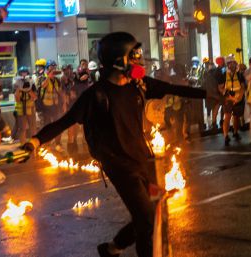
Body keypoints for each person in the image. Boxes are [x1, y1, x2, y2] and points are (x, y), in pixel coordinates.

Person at [24, 32, 207, 257]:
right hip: (120, 167)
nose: (139, 61)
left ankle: (112, 249)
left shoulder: (139, 85)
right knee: (146, 218)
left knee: (153, 212)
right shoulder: (96, 95)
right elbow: (64, 122)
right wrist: (34, 141)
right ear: (118, 61)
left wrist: (211, 95)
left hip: (144, 161)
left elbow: (175, 89)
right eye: (133, 56)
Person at [218, 56, 245, 146]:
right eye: (230, 63)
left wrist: (240, 97)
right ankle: (226, 136)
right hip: (228, 99)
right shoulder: (223, 74)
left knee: (236, 117)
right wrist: (227, 95)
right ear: (227, 65)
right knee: (227, 117)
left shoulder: (239, 74)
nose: (232, 65)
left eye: (233, 63)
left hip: (238, 99)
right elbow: (220, 87)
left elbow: (242, 86)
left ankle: (235, 132)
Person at [39, 60, 64, 151]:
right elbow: (42, 85)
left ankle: (58, 143)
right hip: (46, 107)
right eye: (51, 66)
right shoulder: (42, 78)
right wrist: (48, 77)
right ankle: (47, 144)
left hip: (56, 106)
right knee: (47, 126)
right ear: (47, 68)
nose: (53, 68)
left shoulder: (57, 80)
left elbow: (60, 92)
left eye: (54, 66)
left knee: (58, 125)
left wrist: (64, 103)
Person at [13, 66, 37, 145]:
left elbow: (35, 97)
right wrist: (19, 89)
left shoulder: (31, 82)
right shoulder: (16, 83)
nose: (23, 75)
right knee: (22, 129)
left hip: (30, 109)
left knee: (33, 128)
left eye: (25, 73)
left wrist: (28, 90)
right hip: (21, 110)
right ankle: (23, 145)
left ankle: (34, 144)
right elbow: (17, 99)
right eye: (22, 73)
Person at [61, 64, 78, 154]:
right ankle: (71, 144)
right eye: (65, 70)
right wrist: (64, 104)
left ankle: (74, 142)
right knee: (71, 125)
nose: (67, 71)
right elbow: (63, 92)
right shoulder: (63, 79)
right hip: (68, 104)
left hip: (74, 102)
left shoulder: (73, 78)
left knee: (75, 125)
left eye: (68, 70)